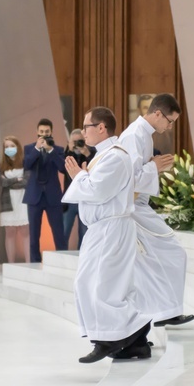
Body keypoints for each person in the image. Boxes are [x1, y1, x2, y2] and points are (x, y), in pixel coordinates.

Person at [62, 106, 152, 363]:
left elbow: (97, 190)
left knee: (100, 285)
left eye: (86, 126)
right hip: (103, 229)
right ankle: (134, 341)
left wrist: (78, 177)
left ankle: (110, 340)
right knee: (97, 284)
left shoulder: (115, 156)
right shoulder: (104, 155)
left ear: (102, 128)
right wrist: (82, 176)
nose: (82, 132)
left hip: (111, 229)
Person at [119, 93, 194, 327]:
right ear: (157, 113)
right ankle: (163, 312)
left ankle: (165, 311)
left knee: (162, 258)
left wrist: (154, 167)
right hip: (131, 207)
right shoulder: (133, 135)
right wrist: (155, 166)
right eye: (169, 121)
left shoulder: (144, 135)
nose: (170, 127)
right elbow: (127, 178)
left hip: (139, 205)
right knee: (171, 253)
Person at [23, 118, 67, 263]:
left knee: (58, 233)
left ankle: (62, 262)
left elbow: (62, 168)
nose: (43, 134)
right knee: (34, 234)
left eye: (47, 132)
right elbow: (27, 164)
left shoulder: (58, 150)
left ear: (51, 132)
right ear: (37, 132)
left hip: (52, 196)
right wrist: (37, 148)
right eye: (41, 132)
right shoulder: (29, 148)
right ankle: (34, 263)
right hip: (34, 196)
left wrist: (50, 150)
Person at [63, 129, 96, 249]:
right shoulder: (67, 154)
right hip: (70, 201)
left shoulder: (91, 153)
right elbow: (62, 169)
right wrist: (69, 150)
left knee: (84, 233)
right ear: (69, 142)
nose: (77, 144)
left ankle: (81, 255)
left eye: (80, 141)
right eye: (74, 141)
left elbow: (96, 166)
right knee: (64, 230)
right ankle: (61, 258)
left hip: (84, 198)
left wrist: (86, 153)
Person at [0, 136, 30, 263]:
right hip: (8, 202)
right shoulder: (1, 165)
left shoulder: (26, 163)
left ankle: (29, 263)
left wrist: (10, 182)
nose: (9, 149)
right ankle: (10, 263)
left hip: (23, 200)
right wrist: (16, 180)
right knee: (10, 232)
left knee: (25, 232)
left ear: (17, 147)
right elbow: (1, 182)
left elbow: (27, 181)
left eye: (12, 146)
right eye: (6, 147)